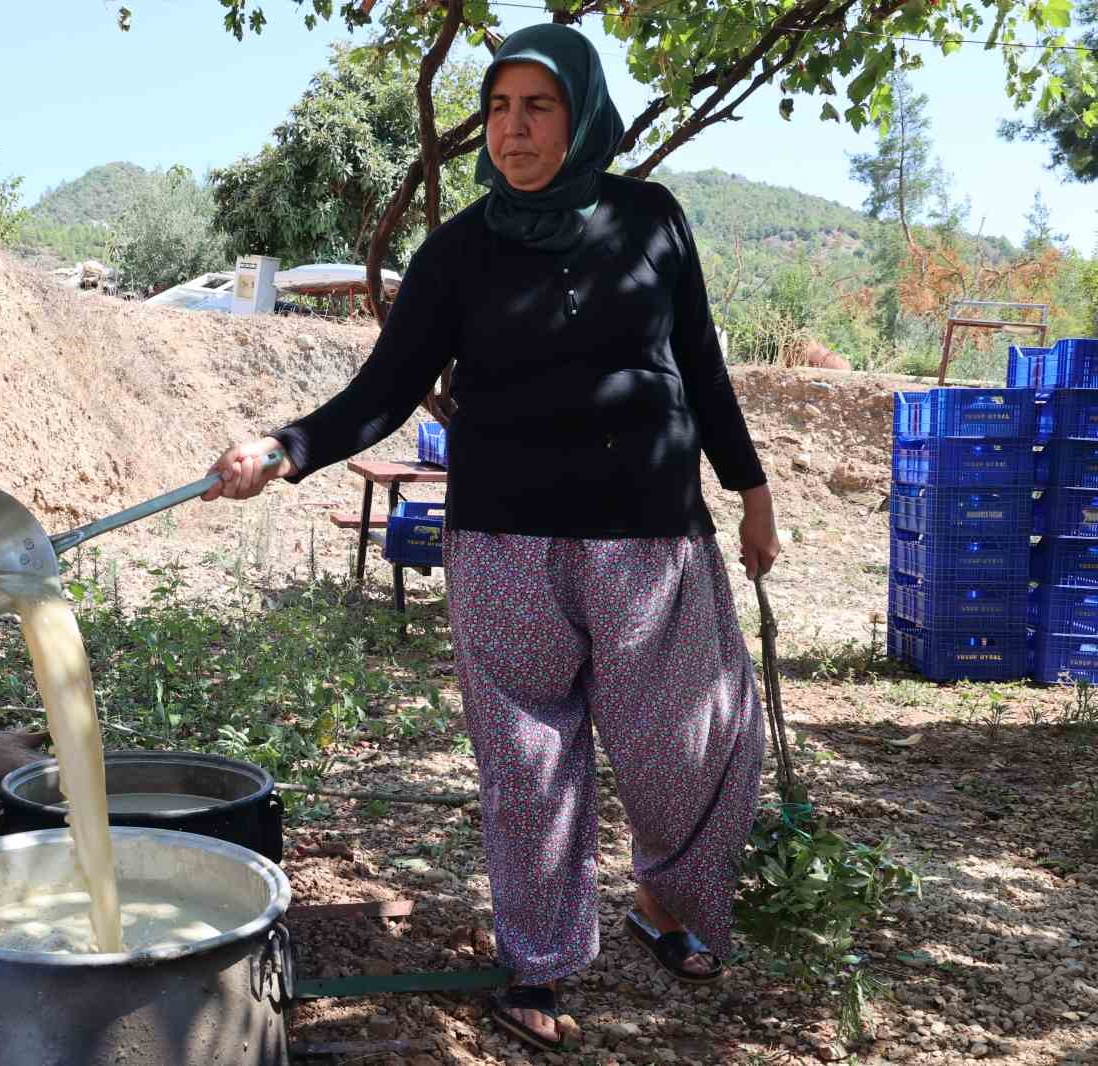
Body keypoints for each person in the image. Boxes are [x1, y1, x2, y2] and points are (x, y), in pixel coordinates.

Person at [204, 22, 776, 1053]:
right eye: (500, 108)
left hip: (649, 535)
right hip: (506, 540)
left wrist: (751, 490)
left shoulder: (651, 220)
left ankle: (664, 899)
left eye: (537, 106)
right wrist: (283, 449)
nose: (513, 129)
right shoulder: (458, 251)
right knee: (527, 761)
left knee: (684, 749)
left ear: (582, 115)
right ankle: (537, 961)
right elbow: (382, 390)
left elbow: (699, 361)